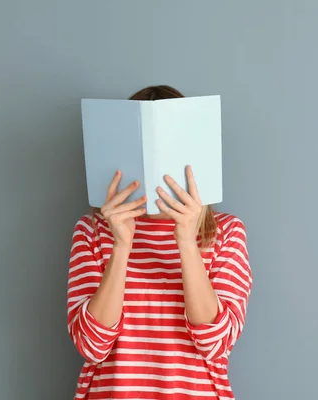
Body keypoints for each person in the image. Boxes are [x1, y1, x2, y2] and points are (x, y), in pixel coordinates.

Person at [66, 85, 252, 399]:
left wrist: (186, 242)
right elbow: (92, 345)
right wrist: (121, 245)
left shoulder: (226, 232)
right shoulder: (92, 231)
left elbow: (215, 344)